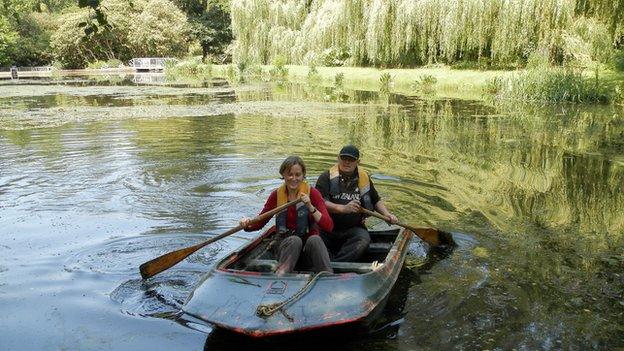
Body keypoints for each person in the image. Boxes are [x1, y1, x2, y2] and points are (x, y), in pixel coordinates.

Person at [240, 156, 333, 275]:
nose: (293, 178)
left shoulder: (313, 194)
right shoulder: (276, 195)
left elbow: (328, 226)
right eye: (290, 174)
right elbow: (259, 223)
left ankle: (328, 276)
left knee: (315, 239)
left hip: (308, 251)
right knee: (294, 240)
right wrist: (246, 224)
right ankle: (281, 277)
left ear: (303, 175)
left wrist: (310, 206)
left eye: (297, 175)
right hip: (285, 249)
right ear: (283, 174)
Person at [315, 145, 398, 262]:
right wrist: (343, 208)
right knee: (312, 238)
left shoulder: (364, 178)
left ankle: (336, 264)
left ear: (358, 161)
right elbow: (319, 203)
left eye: (351, 160)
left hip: (353, 228)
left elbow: (375, 200)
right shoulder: (325, 177)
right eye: (344, 158)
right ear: (338, 158)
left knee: (363, 239)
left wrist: (387, 215)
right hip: (327, 228)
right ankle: (326, 261)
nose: (347, 162)